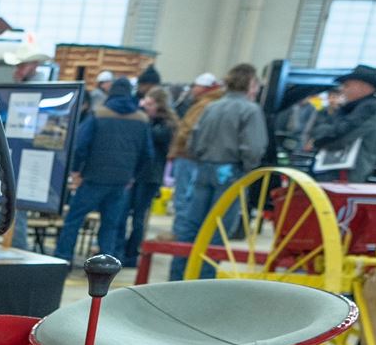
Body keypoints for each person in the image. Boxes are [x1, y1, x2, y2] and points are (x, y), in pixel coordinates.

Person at [172, 62, 268, 279]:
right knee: (218, 230)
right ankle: (204, 282)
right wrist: (248, 168)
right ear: (251, 84)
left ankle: (177, 277)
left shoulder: (211, 107)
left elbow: (193, 141)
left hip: (203, 169)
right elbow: (254, 148)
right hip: (230, 173)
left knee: (191, 225)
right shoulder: (250, 110)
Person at [54, 78, 152, 267]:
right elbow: (148, 154)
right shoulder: (141, 119)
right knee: (111, 225)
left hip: (93, 178)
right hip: (121, 181)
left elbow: (81, 146)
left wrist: (76, 171)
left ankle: (63, 260)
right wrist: (133, 176)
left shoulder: (99, 114)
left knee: (74, 220)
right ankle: (107, 267)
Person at [123, 87, 178, 268]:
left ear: (160, 105)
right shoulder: (148, 121)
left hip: (150, 176)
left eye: (150, 104)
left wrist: (143, 120)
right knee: (123, 213)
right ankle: (121, 250)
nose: (146, 107)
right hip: (137, 172)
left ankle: (132, 254)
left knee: (138, 217)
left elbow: (158, 139)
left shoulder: (166, 125)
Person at [304, 65, 376, 182]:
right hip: (338, 172)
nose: (343, 89)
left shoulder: (368, 108)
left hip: (344, 175)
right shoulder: (352, 108)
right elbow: (325, 129)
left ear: (363, 86)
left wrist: (317, 140)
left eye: (347, 85)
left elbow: (340, 135)